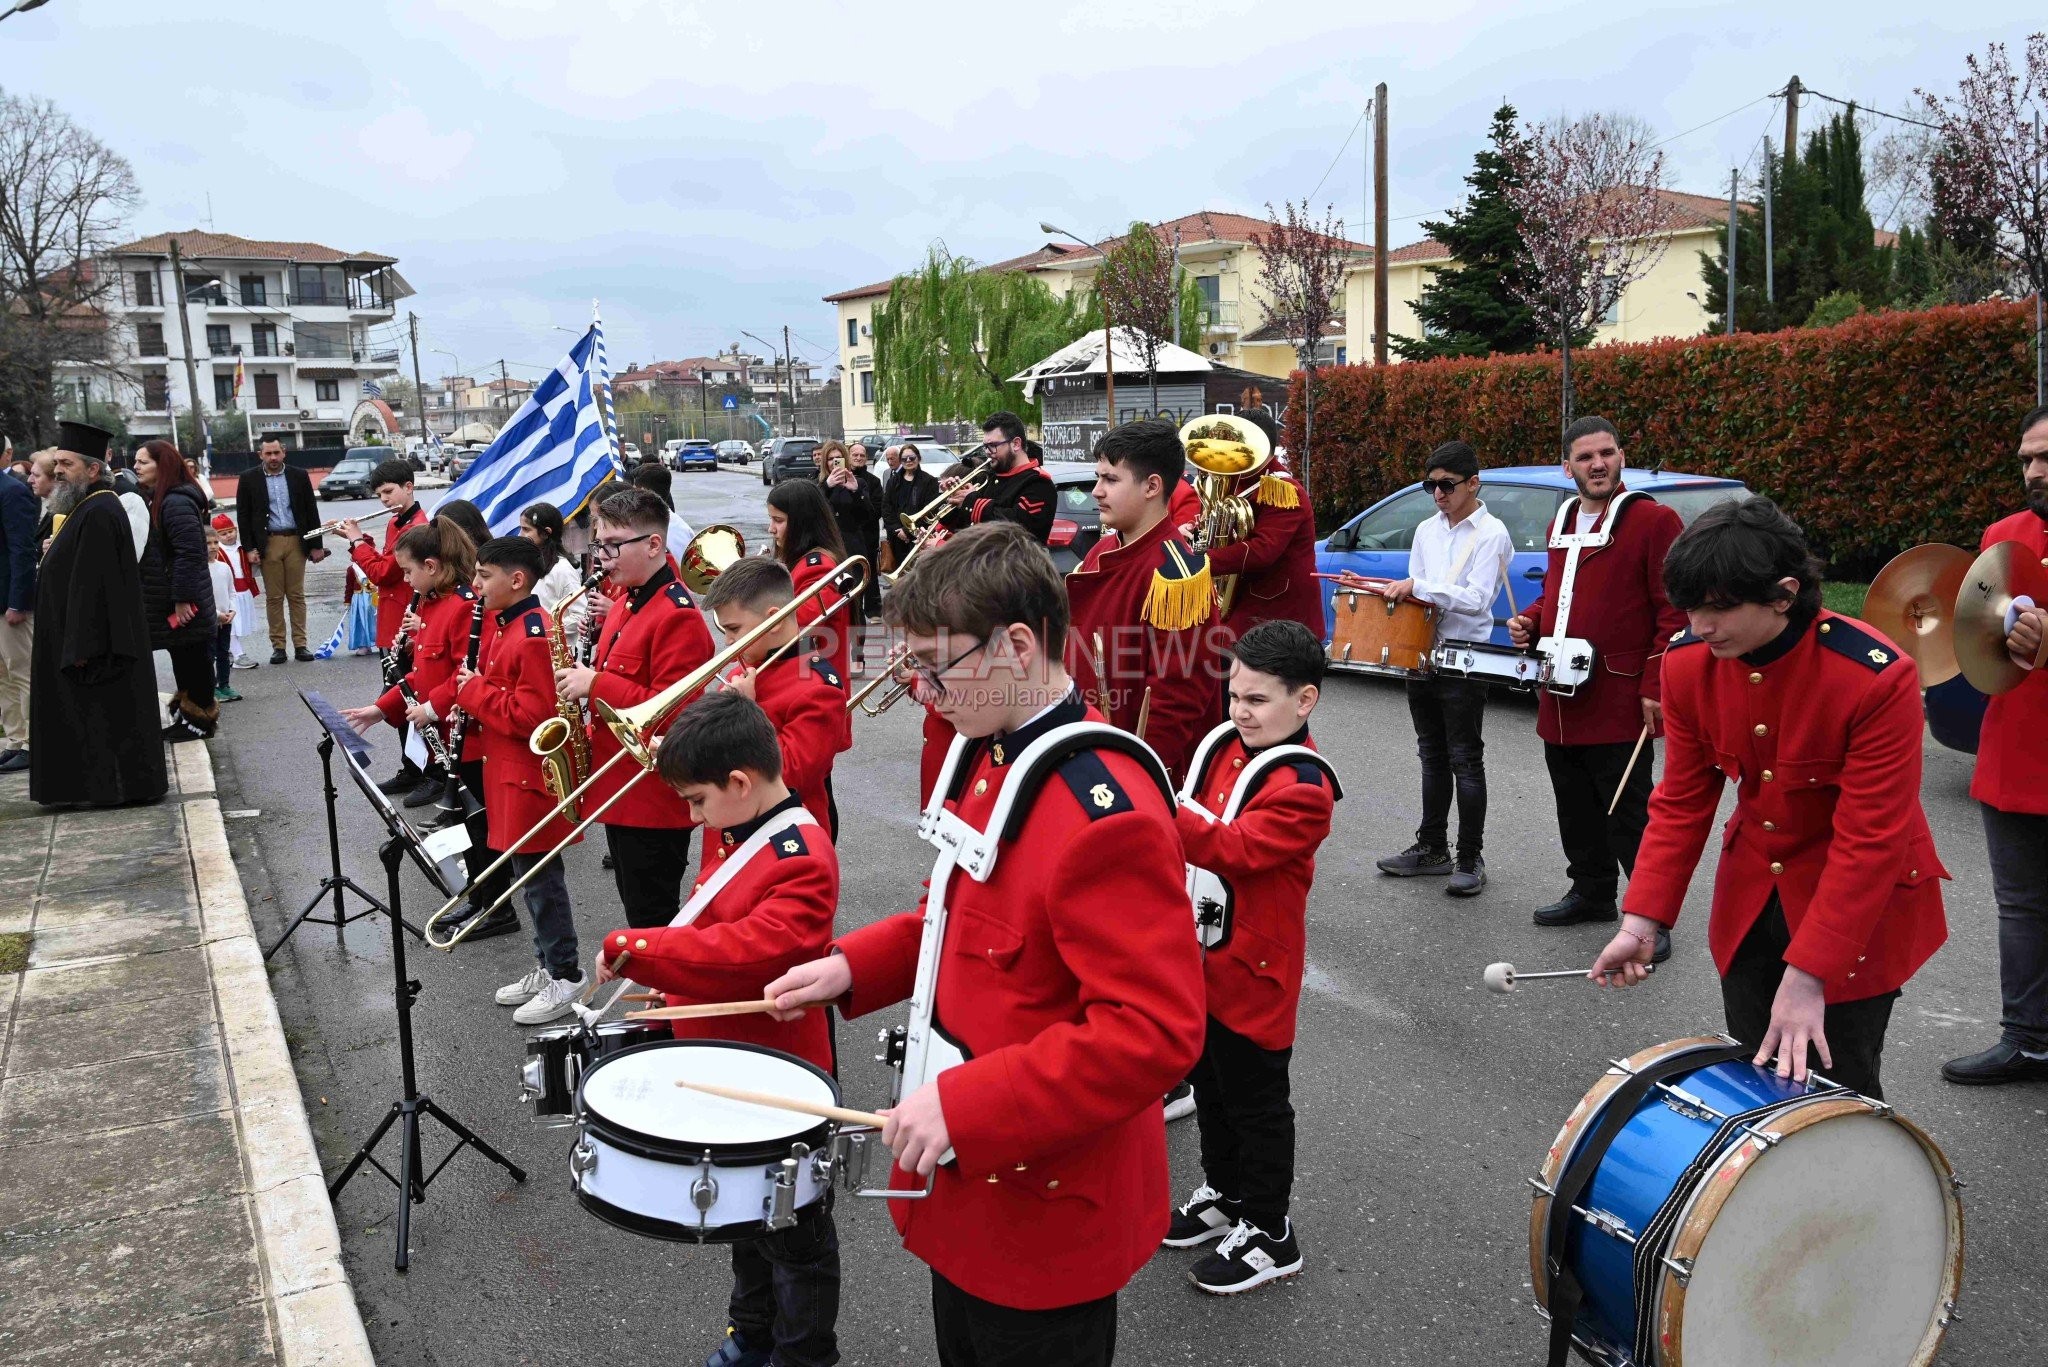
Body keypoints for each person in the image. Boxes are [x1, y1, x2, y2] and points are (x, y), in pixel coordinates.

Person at [764, 522, 1204, 1367]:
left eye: (936, 664)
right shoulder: (988, 753)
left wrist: (965, 1107)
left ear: (1015, 644)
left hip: (1042, 1204)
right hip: (969, 1186)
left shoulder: (1097, 810)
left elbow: (1154, 1032)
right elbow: (956, 919)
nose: (923, 689)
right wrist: (852, 965)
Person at [1587, 499, 1948, 1099]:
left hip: (1860, 904)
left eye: (1719, 608)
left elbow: (1870, 839)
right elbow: (1680, 802)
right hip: (1754, 894)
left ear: (1784, 594)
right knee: (1754, 1078)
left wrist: (1811, 975)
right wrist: (1642, 919)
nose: (1699, 625)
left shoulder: (1875, 678)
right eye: (1691, 607)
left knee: (1839, 1085)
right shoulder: (1687, 665)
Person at [591, 691, 843, 1367]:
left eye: (697, 799)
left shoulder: (801, 853)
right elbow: (707, 919)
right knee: (743, 1222)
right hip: (731, 1062)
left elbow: (748, 951)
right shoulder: (737, 821)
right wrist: (664, 981)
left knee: (796, 1239)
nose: (693, 815)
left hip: (782, 1077)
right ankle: (750, 1334)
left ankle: (802, 1355)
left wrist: (640, 948)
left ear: (739, 781)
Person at [1164, 620, 1338, 1294]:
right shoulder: (1224, 746)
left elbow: (1233, 847)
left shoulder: (1305, 784)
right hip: (1201, 957)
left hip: (1255, 971)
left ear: (1305, 700)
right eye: (1235, 694)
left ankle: (1270, 1228)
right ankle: (1225, 1195)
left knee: (1258, 1101)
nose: (1240, 710)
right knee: (1210, 1085)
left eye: (1258, 699)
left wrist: (1155, 803)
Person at [1506, 416, 1685, 955]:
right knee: (1574, 802)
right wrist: (1532, 620)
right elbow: (1562, 594)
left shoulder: (1655, 520)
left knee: (1629, 810)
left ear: (1621, 457)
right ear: (1569, 468)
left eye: (1606, 453)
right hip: (1560, 692)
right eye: (1586, 458)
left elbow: (1673, 613)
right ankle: (1592, 892)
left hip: (1620, 694)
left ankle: (1652, 917)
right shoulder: (1562, 519)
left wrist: (1656, 685)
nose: (1598, 464)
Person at [1941, 404, 2048, 1085]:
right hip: (2016, 753)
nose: (2034, 472)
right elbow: (1975, 637)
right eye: (2028, 460)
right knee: (2023, 906)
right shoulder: (2005, 536)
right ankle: (2029, 1038)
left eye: (2047, 458)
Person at [554, 487, 717, 929]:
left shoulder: (677, 614)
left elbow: (673, 713)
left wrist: (596, 684)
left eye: (613, 546)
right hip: (620, 784)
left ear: (653, 545)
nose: (603, 557)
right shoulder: (628, 598)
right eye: (599, 545)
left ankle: (666, 996)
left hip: (651, 797)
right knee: (637, 910)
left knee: (653, 918)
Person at [454, 535, 588, 1024]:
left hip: (530, 777)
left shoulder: (530, 633)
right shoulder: (506, 623)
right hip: (509, 773)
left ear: (516, 580)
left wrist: (472, 693)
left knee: (540, 882)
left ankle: (566, 973)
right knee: (526, 878)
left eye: (484, 575)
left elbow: (533, 716)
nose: (475, 584)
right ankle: (547, 964)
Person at [1371, 441, 1512, 896]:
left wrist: (1420, 587)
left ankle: (1470, 856)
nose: (1437, 494)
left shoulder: (1492, 533)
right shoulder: (1426, 532)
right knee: (1431, 755)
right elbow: (1417, 596)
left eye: (1446, 485)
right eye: (1429, 485)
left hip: (1466, 655)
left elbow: (1477, 598)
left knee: (1465, 760)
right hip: (1423, 651)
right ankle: (1432, 848)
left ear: (1474, 483)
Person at [1066, 418, 1220, 783]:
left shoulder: (1179, 575)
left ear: (1152, 486)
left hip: (1135, 767)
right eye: (1098, 477)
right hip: (1086, 742)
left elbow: (1177, 701)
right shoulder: (1102, 549)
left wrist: (1140, 772)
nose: (1096, 491)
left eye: (1111, 480)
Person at [30, 421, 168, 807]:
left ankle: (109, 789)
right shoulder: (87, 506)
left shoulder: (100, 510)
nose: (57, 470)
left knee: (102, 725)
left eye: (66, 464)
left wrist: (81, 646)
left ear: (92, 470)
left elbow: (97, 590)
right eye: (56, 462)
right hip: (77, 641)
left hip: (94, 649)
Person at [700, 557, 852, 836]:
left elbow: (787, 775)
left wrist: (743, 711)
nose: (728, 641)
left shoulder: (820, 689)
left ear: (772, 621)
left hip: (781, 839)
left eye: (734, 629)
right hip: (731, 832)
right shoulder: (751, 664)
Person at [339, 520, 483, 813]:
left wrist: (429, 710)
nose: (405, 580)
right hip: (443, 738)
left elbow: (465, 673)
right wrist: (380, 709)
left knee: (480, 832)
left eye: (407, 571)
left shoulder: (462, 605)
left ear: (430, 566)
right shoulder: (431, 603)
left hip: (467, 741)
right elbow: (421, 675)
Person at [1185, 414, 1322, 642]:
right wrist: (1201, 532)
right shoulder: (1237, 481)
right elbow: (1225, 533)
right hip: (1247, 606)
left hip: (1279, 613)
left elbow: (1262, 550)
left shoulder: (1283, 489)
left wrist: (1200, 561)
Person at [134, 440, 220, 743]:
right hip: (173, 599)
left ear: (163, 465)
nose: (136, 467)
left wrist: (183, 599)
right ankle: (188, 718)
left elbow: (189, 554)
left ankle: (200, 722)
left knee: (194, 661)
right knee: (183, 659)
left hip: (186, 602)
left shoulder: (176, 502)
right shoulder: (162, 498)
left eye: (143, 462)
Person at [234, 438, 329, 662]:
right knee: (274, 597)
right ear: (260, 455)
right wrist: (249, 548)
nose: (273, 458)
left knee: (296, 595)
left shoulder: (299, 475)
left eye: (277, 452)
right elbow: (243, 516)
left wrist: (316, 545)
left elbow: (310, 510)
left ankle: (301, 645)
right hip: (269, 543)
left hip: (296, 540)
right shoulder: (249, 478)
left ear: (284, 452)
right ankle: (278, 646)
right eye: (268, 454)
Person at [766, 478, 854, 689]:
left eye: (778, 520)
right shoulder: (802, 561)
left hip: (815, 687)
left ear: (801, 523)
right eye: (771, 519)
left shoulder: (819, 567)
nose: (771, 529)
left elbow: (796, 628)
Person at [339, 457, 428, 651]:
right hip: (391, 614)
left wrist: (357, 541)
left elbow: (382, 573)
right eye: (379, 494)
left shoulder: (414, 528)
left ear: (408, 487)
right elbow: (381, 561)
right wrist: (353, 536)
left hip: (403, 616)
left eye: (388, 491)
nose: (384, 499)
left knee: (400, 679)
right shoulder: (395, 522)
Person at [940, 411, 1055, 543]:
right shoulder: (989, 477)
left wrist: (971, 502)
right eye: (985, 447)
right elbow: (961, 525)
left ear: (1016, 444)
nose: (988, 452)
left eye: (993, 446)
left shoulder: (1038, 483)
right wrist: (953, 498)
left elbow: (1019, 528)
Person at [0, 456, 37, 772]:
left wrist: (18, 602)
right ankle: (14, 740)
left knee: (22, 672)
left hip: (10, 605)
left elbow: (22, 550)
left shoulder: (12, 491)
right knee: (2, 678)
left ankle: (33, 742)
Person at [826, 442, 884, 626]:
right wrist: (826, 486)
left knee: (855, 604)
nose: (835, 462)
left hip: (853, 548)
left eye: (838, 458)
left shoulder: (860, 483)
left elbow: (869, 515)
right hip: (828, 549)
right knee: (831, 603)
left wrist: (857, 492)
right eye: (830, 459)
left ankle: (859, 655)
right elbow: (810, 514)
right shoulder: (818, 485)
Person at [211, 514, 262, 670]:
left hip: (243, 591)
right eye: (223, 534)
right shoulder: (217, 552)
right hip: (227, 593)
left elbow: (250, 570)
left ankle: (228, 652)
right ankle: (239, 655)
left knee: (238, 624)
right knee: (231, 624)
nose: (228, 536)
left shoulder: (242, 548)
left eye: (230, 532)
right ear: (217, 536)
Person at [882, 443, 940, 573]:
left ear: (918, 458)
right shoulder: (894, 481)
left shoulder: (929, 481)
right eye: (904, 459)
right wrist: (897, 530)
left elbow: (930, 510)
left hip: (918, 536)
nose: (908, 461)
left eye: (912, 458)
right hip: (896, 537)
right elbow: (886, 507)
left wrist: (907, 531)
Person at [628, 461, 696, 559]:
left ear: (643, 491)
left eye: (634, 490)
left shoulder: (640, 528)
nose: (631, 495)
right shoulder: (685, 530)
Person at [207, 525, 240, 704]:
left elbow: (231, 592)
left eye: (215, 542)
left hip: (226, 619)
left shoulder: (224, 568)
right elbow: (202, 597)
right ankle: (211, 687)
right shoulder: (201, 570)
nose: (213, 546)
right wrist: (217, 614)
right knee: (209, 655)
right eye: (208, 543)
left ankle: (224, 684)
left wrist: (232, 610)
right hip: (210, 620)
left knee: (223, 652)